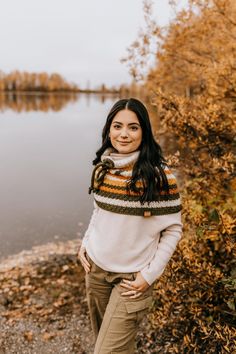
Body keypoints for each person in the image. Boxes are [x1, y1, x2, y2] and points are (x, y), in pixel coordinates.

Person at [78, 97, 182, 354]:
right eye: (117, 126)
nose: (124, 134)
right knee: (109, 343)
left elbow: (173, 228)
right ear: (108, 130)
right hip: (96, 270)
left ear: (144, 131)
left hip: (132, 280)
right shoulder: (104, 168)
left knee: (107, 351)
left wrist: (149, 275)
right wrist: (86, 242)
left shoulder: (158, 176)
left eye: (133, 127)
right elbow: (99, 211)